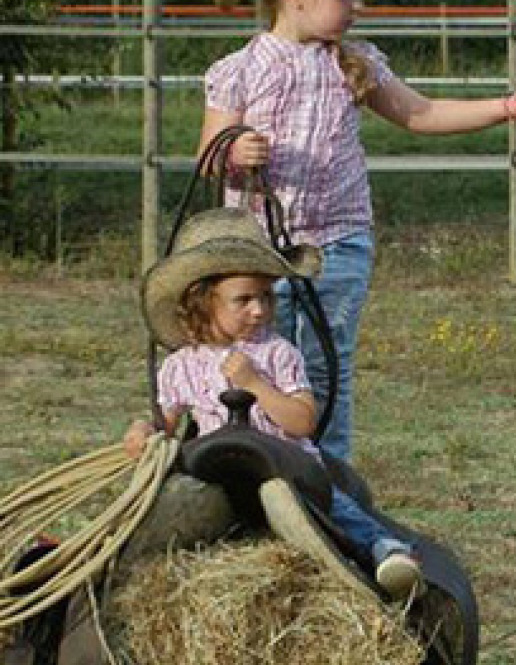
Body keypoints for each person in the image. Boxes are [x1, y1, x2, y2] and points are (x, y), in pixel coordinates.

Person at [200, 0, 516, 463]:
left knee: (326, 366)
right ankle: (260, 467)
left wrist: (508, 107)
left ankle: (330, 479)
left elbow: (421, 113)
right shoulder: (240, 70)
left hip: (339, 244)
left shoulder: (357, 63)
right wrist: (235, 150)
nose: (358, 5)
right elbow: (209, 154)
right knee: (258, 359)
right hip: (258, 250)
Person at [124, 207, 423, 600]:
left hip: (284, 466)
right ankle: (117, 560)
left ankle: (384, 550)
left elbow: (302, 423)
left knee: (333, 507)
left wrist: (255, 384)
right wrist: (144, 431)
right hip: (219, 469)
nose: (259, 310)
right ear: (203, 302)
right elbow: (165, 421)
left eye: (266, 297)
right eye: (243, 300)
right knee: (158, 508)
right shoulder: (182, 365)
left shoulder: (279, 354)